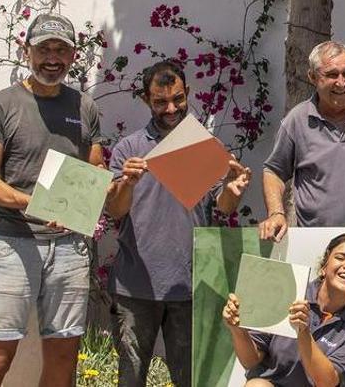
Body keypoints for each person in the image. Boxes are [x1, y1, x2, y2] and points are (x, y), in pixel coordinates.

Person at [0, 13, 105, 386]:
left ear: (73, 55)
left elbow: (94, 170)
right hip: (14, 244)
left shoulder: (85, 108)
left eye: (61, 49)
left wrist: (102, 188)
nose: (52, 57)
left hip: (69, 248)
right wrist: (36, 204)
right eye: (44, 48)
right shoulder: (0, 105)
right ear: (26, 50)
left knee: (64, 359)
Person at [104, 60, 253, 386]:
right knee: (131, 378)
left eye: (178, 99)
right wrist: (126, 183)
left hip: (188, 285)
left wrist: (233, 191)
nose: (171, 108)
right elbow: (115, 211)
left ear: (187, 93)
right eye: (160, 101)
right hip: (136, 286)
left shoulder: (203, 146)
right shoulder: (129, 148)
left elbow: (222, 205)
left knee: (190, 378)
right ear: (147, 99)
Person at [259, 41, 345, 240]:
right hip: (317, 242)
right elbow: (273, 171)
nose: (341, 82)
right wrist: (276, 213)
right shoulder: (297, 120)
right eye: (332, 75)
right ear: (313, 77)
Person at [222, 233, 345, 387]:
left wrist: (303, 332)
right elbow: (251, 361)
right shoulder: (290, 293)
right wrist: (237, 329)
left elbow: (327, 382)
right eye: (341, 257)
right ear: (324, 266)